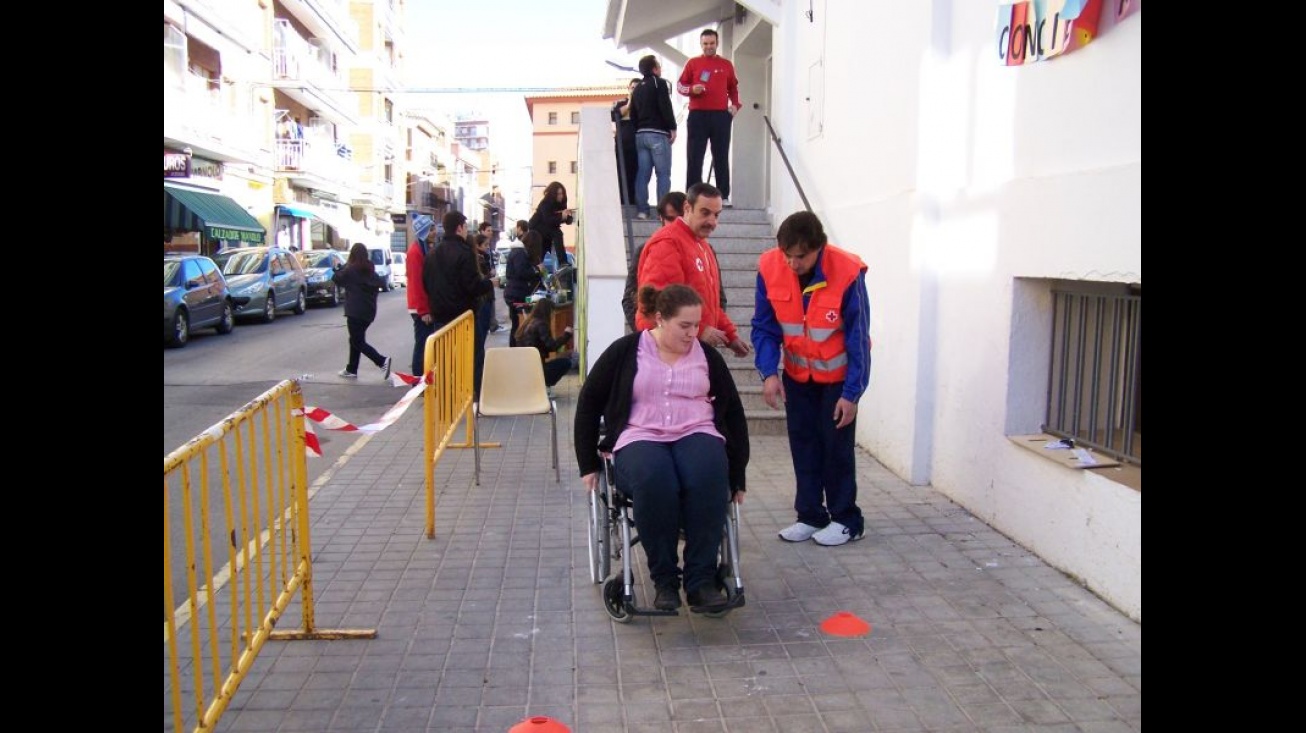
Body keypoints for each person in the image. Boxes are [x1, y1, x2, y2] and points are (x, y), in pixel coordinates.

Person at [574, 284, 749, 613]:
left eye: (696, 325)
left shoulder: (706, 356)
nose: (692, 333)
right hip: (639, 434)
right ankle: (665, 581)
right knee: (656, 481)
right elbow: (588, 402)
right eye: (684, 326)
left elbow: (734, 412)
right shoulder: (626, 351)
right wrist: (587, 463)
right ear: (659, 319)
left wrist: (738, 473)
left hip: (696, 430)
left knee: (709, 476)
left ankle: (700, 582)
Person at [752, 211, 871, 547]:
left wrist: (852, 393)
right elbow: (764, 325)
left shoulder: (847, 272)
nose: (792, 263)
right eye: (786, 255)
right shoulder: (769, 266)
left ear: (819, 248)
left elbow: (858, 337)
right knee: (803, 445)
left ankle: (847, 519)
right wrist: (768, 373)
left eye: (800, 256)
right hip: (796, 376)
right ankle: (810, 515)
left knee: (835, 449)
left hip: (837, 380)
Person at [635, 183, 749, 357]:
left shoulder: (701, 245)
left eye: (716, 215)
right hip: (667, 353)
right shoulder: (668, 243)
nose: (712, 221)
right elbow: (658, 302)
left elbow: (710, 304)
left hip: (687, 349)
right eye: (705, 213)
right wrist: (701, 330)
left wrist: (730, 336)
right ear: (687, 208)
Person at [423, 211, 497, 397]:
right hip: (464, 317)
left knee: (444, 359)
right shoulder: (465, 253)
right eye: (465, 227)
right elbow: (472, 286)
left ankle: (444, 399)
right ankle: (476, 396)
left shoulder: (432, 253)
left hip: (440, 316)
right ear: (459, 228)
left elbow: (425, 282)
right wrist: (490, 283)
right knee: (473, 357)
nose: (466, 231)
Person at [677, 29, 740, 207]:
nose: (709, 47)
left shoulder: (727, 64)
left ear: (717, 43)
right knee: (694, 156)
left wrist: (735, 105)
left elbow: (734, 88)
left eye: (712, 43)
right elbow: (680, 85)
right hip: (697, 115)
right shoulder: (693, 63)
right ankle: (692, 197)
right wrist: (691, 90)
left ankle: (723, 196)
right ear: (701, 44)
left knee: (721, 155)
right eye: (705, 44)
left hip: (721, 115)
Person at [623, 191, 686, 331]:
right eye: (671, 218)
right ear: (661, 218)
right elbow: (628, 298)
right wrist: (644, 333)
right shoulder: (645, 249)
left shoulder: (702, 249)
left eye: (680, 218)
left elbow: (717, 298)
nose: (676, 224)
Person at [330, 242, 392, 380]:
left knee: (357, 341)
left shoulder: (351, 270)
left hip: (354, 312)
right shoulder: (370, 269)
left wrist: (337, 267)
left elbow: (336, 279)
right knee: (356, 339)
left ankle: (381, 361)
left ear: (352, 255)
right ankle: (351, 368)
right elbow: (382, 283)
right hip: (369, 312)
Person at [629, 55, 677, 220]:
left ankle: (642, 210)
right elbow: (665, 106)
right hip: (657, 134)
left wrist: (639, 129)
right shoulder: (659, 83)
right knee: (663, 174)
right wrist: (672, 127)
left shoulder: (637, 88)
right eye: (659, 66)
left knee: (643, 173)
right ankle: (663, 212)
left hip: (641, 135)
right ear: (655, 69)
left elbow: (633, 113)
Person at [515, 298, 574, 391]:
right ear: (548, 311)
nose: (553, 314)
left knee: (562, 359)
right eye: (552, 311)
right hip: (536, 368)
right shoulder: (541, 324)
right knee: (567, 362)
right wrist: (567, 335)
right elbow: (552, 346)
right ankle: (545, 384)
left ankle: (540, 384)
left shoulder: (529, 322)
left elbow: (543, 345)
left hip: (525, 367)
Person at [504, 230, 547, 346]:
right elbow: (522, 272)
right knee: (519, 324)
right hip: (516, 294)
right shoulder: (520, 253)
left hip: (513, 293)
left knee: (517, 324)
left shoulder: (518, 252)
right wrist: (537, 270)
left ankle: (514, 349)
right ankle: (516, 349)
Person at [406, 214, 436, 377]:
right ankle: (418, 380)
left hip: (423, 306)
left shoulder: (424, 249)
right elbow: (417, 283)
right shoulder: (416, 252)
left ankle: (422, 379)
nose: (434, 232)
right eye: (431, 229)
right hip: (420, 309)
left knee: (426, 344)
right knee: (422, 345)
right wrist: (424, 310)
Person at [528, 181, 574, 278]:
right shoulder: (546, 203)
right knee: (557, 233)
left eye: (562, 193)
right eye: (558, 194)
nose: (561, 196)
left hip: (548, 229)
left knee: (542, 252)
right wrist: (562, 216)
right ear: (553, 194)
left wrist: (568, 216)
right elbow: (548, 220)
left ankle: (540, 276)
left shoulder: (562, 201)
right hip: (537, 227)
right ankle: (563, 262)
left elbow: (564, 219)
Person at [611, 79, 640, 207]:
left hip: (638, 144)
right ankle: (623, 201)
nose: (634, 90)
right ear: (628, 88)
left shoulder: (644, 104)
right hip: (623, 145)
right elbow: (613, 115)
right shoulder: (620, 103)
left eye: (637, 88)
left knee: (638, 174)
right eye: (632, 87)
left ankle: (635, 201)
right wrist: (628, 105)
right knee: (622, 173)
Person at [476, 222, 503, 332]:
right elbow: (480, 278)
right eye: (488, 230)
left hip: (488, 293)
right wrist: (490, 275)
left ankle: (493, 324)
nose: (491, 233)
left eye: (492, 230)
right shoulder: (477, 259)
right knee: (482, 325)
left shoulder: (485, 255)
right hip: (483, 296)